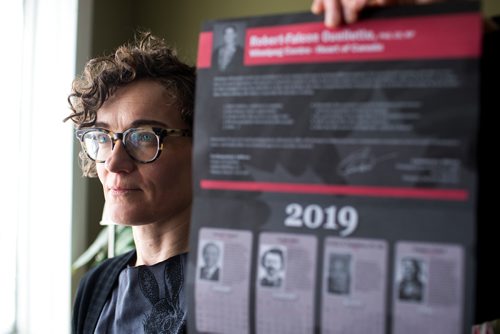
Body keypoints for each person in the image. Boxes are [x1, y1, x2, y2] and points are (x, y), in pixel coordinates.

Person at [66, 32, 195, 334]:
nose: (113, 162)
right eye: (101, 137)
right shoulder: (96, 286)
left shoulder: (239, 287)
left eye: (144, 137)